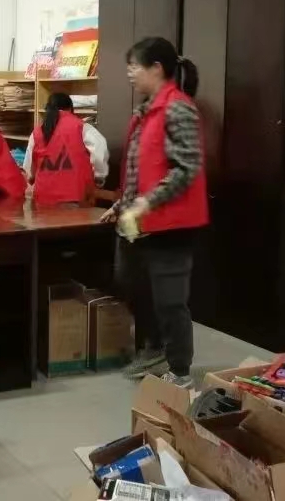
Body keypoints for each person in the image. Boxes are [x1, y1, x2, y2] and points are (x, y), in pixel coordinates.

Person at [102, 37, 208, 389]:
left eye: (135, 66)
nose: (129, 73)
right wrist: (121, 205)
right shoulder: (146, 111)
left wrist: (149, 201)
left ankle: (180, 370)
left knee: (170, 301)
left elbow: (187, 167)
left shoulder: (179, 109)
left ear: (157, 68)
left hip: (170, 224)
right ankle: (155, 347)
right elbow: (137, 169)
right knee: (131, 285)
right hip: (139, 222)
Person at [24, 92, 109, 204]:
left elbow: (29, 167)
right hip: (75, 195)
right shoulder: (82, 127)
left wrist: (31, 179)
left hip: (44, 197)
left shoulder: (37, 131)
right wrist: (99, 176)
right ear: (70, 108)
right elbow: (100, 149)